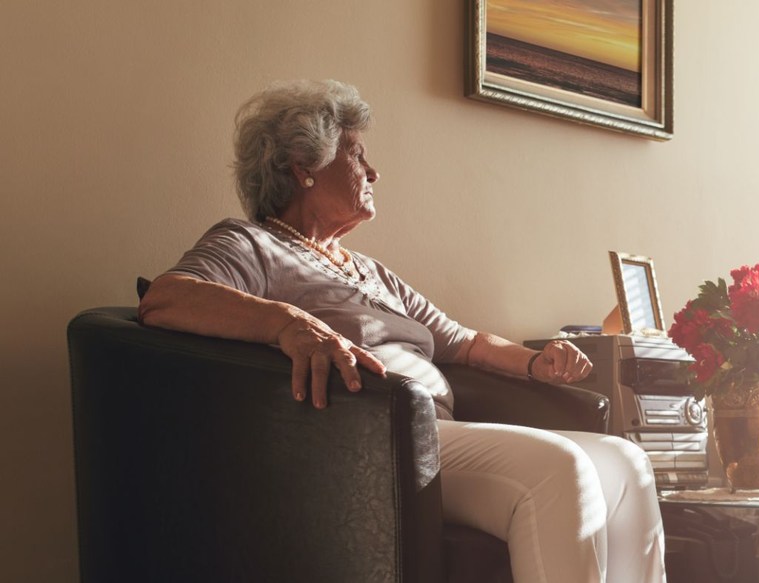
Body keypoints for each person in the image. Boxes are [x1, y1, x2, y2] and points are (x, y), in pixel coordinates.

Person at [138, 79, 666, 583]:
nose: (373, 171)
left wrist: (536, 360)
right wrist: (289, 322)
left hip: (436, 431)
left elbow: (464, 341)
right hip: (373, 438)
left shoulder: (368, 270)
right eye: (356, 154)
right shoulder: (251, 244)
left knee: (625, 460)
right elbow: (166, 298)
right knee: (560, 467)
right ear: (303, 168)